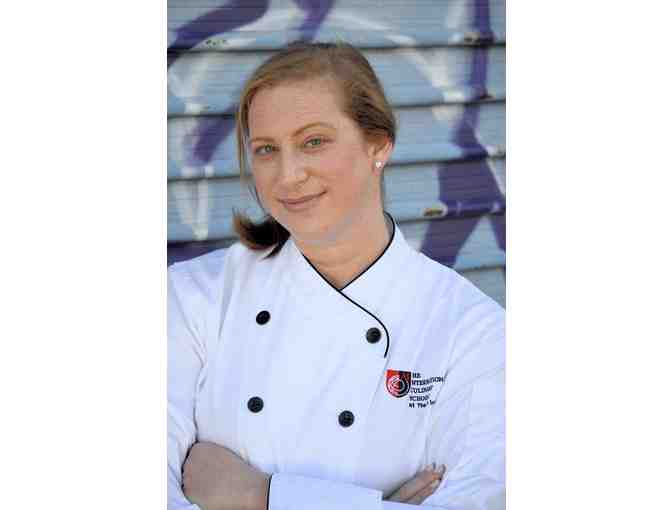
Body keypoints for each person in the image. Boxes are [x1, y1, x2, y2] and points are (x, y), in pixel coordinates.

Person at [168, 42, 505, 510]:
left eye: (313, 142)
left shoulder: (472, 331)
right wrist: (377, 505)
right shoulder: (192, 297)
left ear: (378, 145)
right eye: (266, 150)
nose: (288, 175)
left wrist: (258, 496)